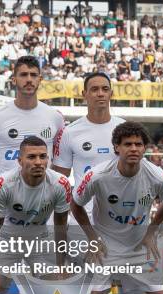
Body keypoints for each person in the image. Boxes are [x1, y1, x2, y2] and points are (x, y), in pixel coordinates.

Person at [70, 122, 163, 294]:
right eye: (128, 144)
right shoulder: (97, 176)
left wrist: (151, 231)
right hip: (104, 248)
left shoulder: (158, 176)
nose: (133, 148)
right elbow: (75, 204)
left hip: (141, 248)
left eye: (138, 144)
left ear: (144, 149)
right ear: (116, 147)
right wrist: (92, 237)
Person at [0, 137, 71, 294]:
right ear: (20, 161)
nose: (38, 162)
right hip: (7, 239)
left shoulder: (60, 183)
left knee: (58, 290)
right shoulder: (4, 183)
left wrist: (61, 266)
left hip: (41, 239)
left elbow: (60, 227)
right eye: (31, 157)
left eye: (43, 156)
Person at [0, 56, 65, 184]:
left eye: (33, 75)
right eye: (23, 75)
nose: (29, 79)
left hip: (43, 199)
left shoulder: (55, 117)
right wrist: (3, 190)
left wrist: (50, 189)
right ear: (14, 80)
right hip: (8, 201)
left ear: (40, 79)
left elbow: (61, 163)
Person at [52, 72, 125, 219]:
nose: (100, 94)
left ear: (111, 93)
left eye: (105, 89)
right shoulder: (69, 132)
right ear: (84, 94)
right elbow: (59, 181)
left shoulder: (125, 128)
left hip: (120, 215)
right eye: (94, 89)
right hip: (84, 216)